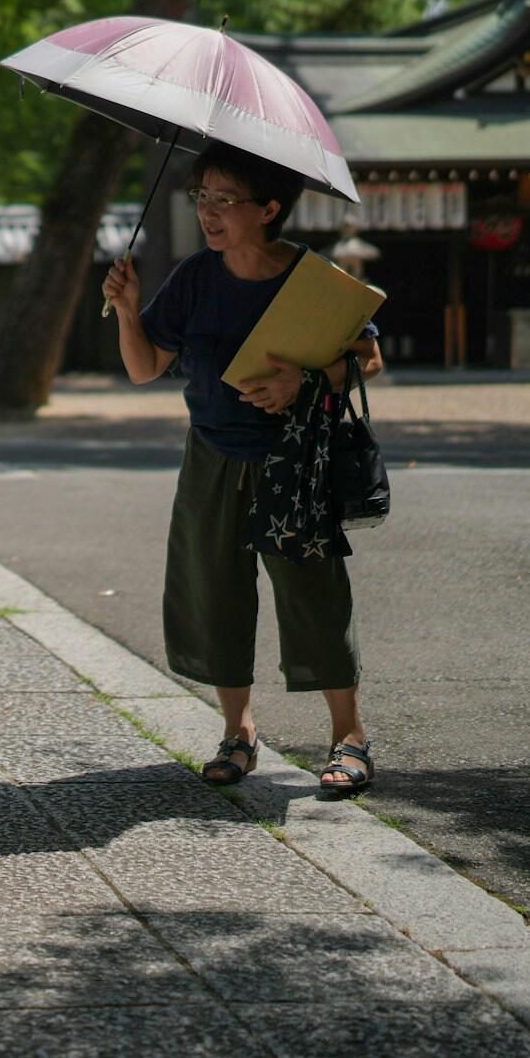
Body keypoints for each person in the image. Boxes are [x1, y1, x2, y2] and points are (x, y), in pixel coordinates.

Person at [102, 142, 384, 797]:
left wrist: (303, 380)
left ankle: (351, 736)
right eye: (201, 197)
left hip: (294, 457)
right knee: (215, 590)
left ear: (270, 209)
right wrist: (125, 309)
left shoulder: (314, 281)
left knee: (314, 595)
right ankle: (239, 732)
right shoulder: (195, 278)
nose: (208, 212)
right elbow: (144, 367)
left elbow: (368, 361)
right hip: (211, 457)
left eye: (225, 200)